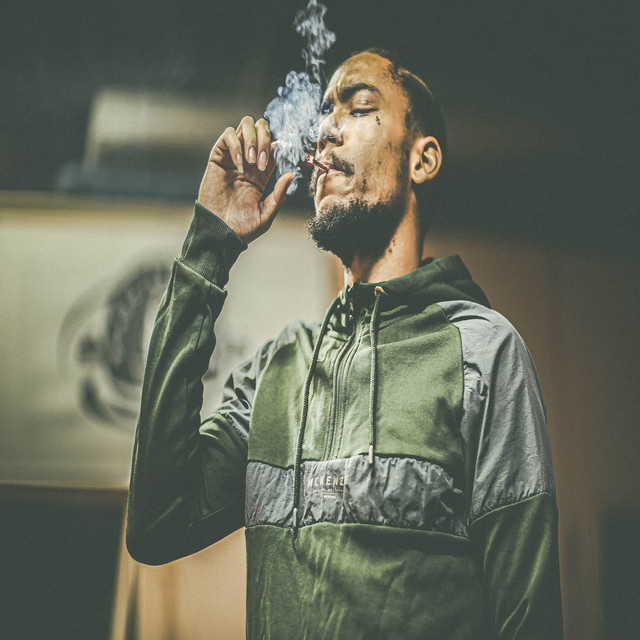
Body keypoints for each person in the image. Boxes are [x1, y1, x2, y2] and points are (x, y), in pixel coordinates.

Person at [126, 49, 563, 639]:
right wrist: (211, 244)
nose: (326, 130)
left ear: (422, 159)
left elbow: (529, 618)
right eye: (325, 113)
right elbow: (157, 524)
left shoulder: (484, 354)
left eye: (358, 108)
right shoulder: (277, 370)